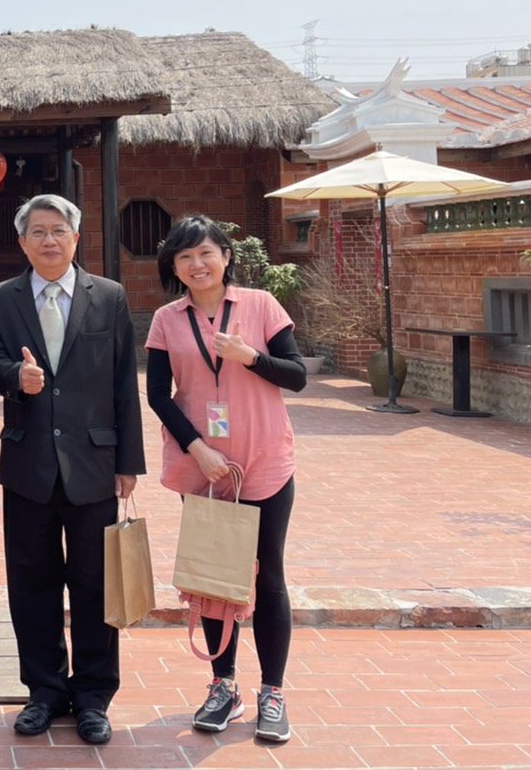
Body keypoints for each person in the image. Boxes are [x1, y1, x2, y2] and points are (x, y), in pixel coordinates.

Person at [0, 193, 144, 746]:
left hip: (95, 464)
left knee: (97, 586)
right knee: (32, 583)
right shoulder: (1, 299)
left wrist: (128, 462)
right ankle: (45, 690)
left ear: (76, 237)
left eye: (59, 230)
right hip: (27, 464)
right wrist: (12, 380)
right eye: (38, 231)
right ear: (22, 241)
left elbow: (124, 381)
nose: (49, 240)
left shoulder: (110, 296)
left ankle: (94, 695)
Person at [145, 214, 307, 743]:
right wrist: (198, 449)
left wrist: (250, 356)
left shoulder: (261, 305)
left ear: (225, 256)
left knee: (268, 576)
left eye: (206, 253)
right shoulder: (167, 319)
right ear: (174, 266)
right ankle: (223, 685)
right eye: (185, 257)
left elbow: (297, 375)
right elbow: (156, 395)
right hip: (207, 469)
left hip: (263, 461)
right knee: (216, 578)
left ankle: (274, 693)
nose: (197, 264)